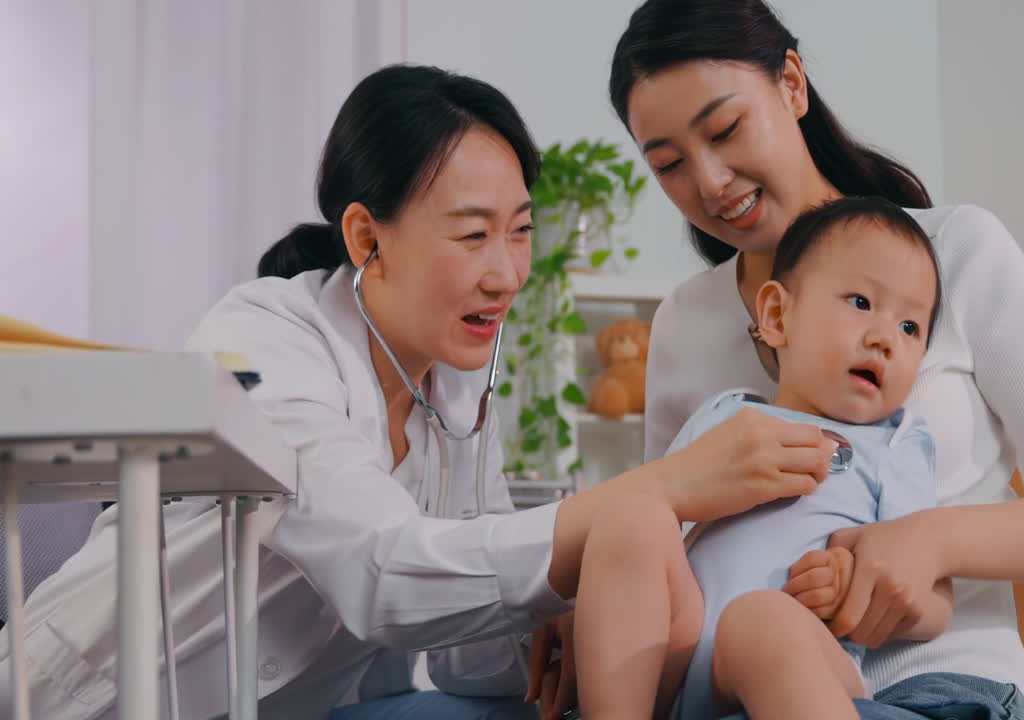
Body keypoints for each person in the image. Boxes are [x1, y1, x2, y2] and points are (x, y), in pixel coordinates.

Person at [0, 64, 838, 720]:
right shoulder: (265, 338)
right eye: (473, 235)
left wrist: (560, 614)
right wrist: (654, 491)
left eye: (519, 231)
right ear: (367, 237)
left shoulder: (458, 391)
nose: (507, 274)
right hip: (83, 704)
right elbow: (384, 577)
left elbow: (470, 659)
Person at [600, 0, 1024, 717]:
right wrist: (585, 609)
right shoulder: (684, 322)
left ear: (791, 84)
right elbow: (660, 533)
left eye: (726, 130)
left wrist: (930, 542)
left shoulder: (957, 251)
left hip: (935, 692)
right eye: (669, 164)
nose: (708, 182)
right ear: (774, 316)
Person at [569, 197, 955, 720]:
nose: (885, 338)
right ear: (777, 315)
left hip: (797, 655)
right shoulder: (724, 416)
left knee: (759, 620)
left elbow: (935, 605)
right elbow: (657, 526)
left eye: (910, 328)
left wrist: (854, 584)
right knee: (631, 514)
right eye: (861, 302)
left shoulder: (891, 445)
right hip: (674, 652)